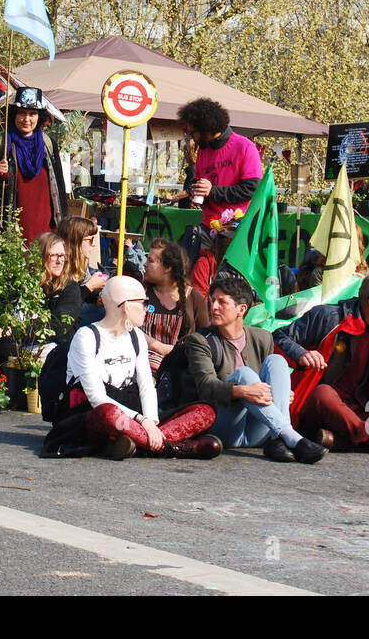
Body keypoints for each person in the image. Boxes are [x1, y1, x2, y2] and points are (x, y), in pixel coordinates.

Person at [273, 269, 369, 453]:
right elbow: (276, 337)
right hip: (319, 407)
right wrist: (301, 354)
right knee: (324, 393)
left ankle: (343, 439)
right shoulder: (327, 317)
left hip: (363, 409)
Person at [67, 276, 222, 459]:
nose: (147, 309)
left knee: (206, 411)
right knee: (108, 413)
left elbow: (147, 385)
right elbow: (96, 398)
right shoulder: (86, 337)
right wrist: (141, 420)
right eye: (143, 303)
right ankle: (171, 448)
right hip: (93, 413)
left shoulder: (137, 336)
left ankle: (133, 445)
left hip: (133, 413)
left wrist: (151, 421)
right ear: (125, 307)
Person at [181, 275, 327, 463]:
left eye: (222, 302)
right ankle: (292, 438)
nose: (213, 307)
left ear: (241, 309)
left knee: (277, 361)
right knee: (244, 374)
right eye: (212, 301)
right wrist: (243, 391)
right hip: (224, 428)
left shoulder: (263, 337)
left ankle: (279, 438)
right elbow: (206, 387)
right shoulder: (200, 341)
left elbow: (269, 384)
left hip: (260, 430)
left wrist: (281, 392)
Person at [0, 87, 68, 243]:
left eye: (32, 114)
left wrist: (63, 226)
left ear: (39, 117)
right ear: (14, 115)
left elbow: (60, 187)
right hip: (8, 233)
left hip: (46, 232)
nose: (27, 119)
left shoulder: (48, 144)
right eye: (22, 113)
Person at [176, 97, 262, 253]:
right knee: (183, 259)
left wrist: (212, 191)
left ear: (206, 129)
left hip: (237, 226)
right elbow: (200, 182)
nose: (191, 137)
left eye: (192, 132)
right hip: (209, 225)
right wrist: (197, 194)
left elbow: (251, 189)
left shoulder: (244, 147)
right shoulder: (203, 150)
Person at [139, 238, 199, 372]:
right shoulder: (139, 292)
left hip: (180, 368)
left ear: (167, 268)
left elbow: (205, 336)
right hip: (140, 364)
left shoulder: (193, 296)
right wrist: (159, 347)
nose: (144, 264)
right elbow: (127, 328)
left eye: (151, 260)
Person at [56, 215, 109, 324]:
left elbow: (84, 294)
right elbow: (66, 306)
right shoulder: (58, 265)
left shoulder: (81, 264)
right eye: (90, 240)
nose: (94, 244)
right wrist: (90, 286)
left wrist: (97, 297)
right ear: (75, 241)